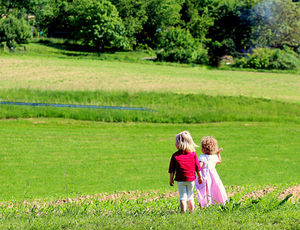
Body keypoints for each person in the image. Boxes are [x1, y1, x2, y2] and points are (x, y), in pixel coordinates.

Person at [168, 131, 202, 213]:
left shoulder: (175, 155)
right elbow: (198, 167)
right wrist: (200, 177)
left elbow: (171, 170)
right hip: (191, 179)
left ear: (178, 144)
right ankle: (192, 212)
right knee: (190, 196)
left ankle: (183, 212)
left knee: (182, 197)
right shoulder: (193, 154)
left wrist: (171, 179)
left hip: (180, 180)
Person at [195, 136, 228, 208]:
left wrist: (195, 168)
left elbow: (199, 166)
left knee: (203, 190)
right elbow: (219, 161)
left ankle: (204, 204)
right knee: (214, 188)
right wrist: (218, 153)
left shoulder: (202, 157)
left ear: (203, 149)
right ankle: (215, 202)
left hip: (204, 175)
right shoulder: (214, 157)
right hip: (213, 175)